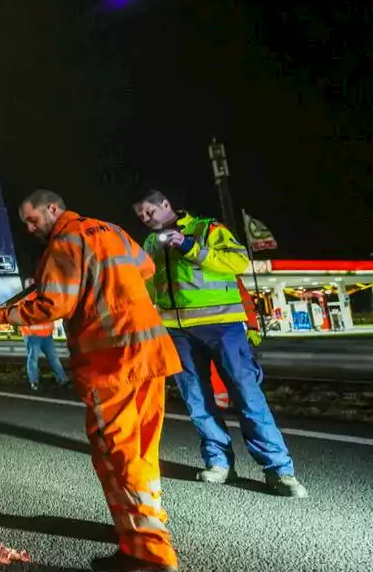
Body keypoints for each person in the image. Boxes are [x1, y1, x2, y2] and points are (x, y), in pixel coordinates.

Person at [0, 189, 181, 572]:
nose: (29, 228)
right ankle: (144, 523)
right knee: (142, 447)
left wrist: (2, 316)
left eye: (33, 219)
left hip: (111, 360)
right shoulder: (110, 230)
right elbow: (145, 268)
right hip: (150, 351)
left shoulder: (64, 243)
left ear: (53, 209)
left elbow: (53, 304)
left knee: (117, 453)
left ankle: (148, 549)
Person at [132, 190, 307, 498]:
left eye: (148, 212)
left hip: (222, 326)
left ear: (165, 205)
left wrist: (190, 247)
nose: (145, 220)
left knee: (247, 394)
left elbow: (238, 261)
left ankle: (279, 470)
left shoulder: (207, 228)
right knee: (196, 399)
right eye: (140, 216)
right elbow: (149, 286)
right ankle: (218, 463)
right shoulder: (149, 244)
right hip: (176, 331)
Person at [209, 278, 262, 410]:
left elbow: (245, 300)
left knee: (236, 367)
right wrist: (252, 326)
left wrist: (252, 327)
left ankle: (233, 399)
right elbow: (245, 301)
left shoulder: (227, 271)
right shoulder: (228, 271)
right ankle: (235, 400)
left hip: (228, 328)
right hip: (226, 328)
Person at [19, 277, 70, 391]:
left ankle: (61, 379)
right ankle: (35, 382)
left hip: (45, 335)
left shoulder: (40, 298)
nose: (33, 287)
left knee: (51, 358)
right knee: (35, 359)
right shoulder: (25, 301)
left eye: (33, 284)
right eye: (30, 285)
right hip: (33, 335)